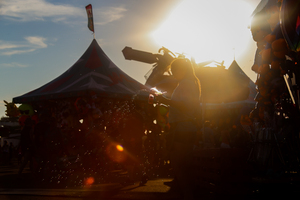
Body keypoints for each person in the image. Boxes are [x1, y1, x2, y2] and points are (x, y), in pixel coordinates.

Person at [156, 58, 201, 200]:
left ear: (183, 69)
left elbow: (186, 106)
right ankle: (185, 192)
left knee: (179, 165)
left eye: (175, 70)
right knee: (181, 165)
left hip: (183, 127)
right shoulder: (187, 83)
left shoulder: (186, 83)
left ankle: (188, 194)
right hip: (184, 127)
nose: (173, 73)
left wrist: (165, 101)